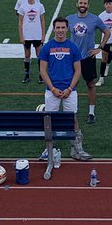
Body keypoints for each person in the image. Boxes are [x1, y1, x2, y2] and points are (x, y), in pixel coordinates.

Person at [39, 16, 91, 166]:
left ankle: (77, 149)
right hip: (52, 91)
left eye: (63, 28)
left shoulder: (73, 47)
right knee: (50, 121)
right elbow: (43, 71)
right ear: (54, 28)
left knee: (72, 119)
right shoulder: (47, 47)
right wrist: (53, 88)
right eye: (58, 27)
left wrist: (69, 88)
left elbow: (78, 70)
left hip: (70, 90)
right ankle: (49, 149)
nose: (60, 30)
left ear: (67, 29)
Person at [67, 0, 107, 125]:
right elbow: (60, 32)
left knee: (90, 84)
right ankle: (72, 110)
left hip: (88, 57)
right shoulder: (70, 19)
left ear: (88, 5)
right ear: (76, 4)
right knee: (72, 85)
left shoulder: (94, 19)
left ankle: (91, 112)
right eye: (80, 3)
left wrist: (99, 48)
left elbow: (107, 32)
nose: (82, 5)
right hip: (73, 58)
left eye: (85, 3)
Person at [16, 0, 45, 83]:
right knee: (27, 55)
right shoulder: (22, 7)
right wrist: (21, 36)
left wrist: (43, 35)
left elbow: (42, 21)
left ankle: (41, 75)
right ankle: (27, 74)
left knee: (39, 55)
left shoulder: (39, 6)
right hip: (27, 35)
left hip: (37, 34)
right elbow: (20, 22)